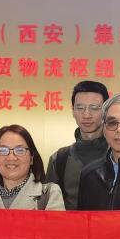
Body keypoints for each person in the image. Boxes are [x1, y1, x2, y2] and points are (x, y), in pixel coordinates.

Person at [46, 80, 110, 210]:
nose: (86, 115)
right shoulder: (59, 159)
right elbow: (50, 210)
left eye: (94, 108)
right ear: (73, 111)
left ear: (106, 111)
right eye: (80, 108)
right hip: (69, 223)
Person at [0, 125, 65, 210]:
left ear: (31, 158)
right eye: (3, 150)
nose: (11, 158)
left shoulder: (49, 194)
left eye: (20, 150)